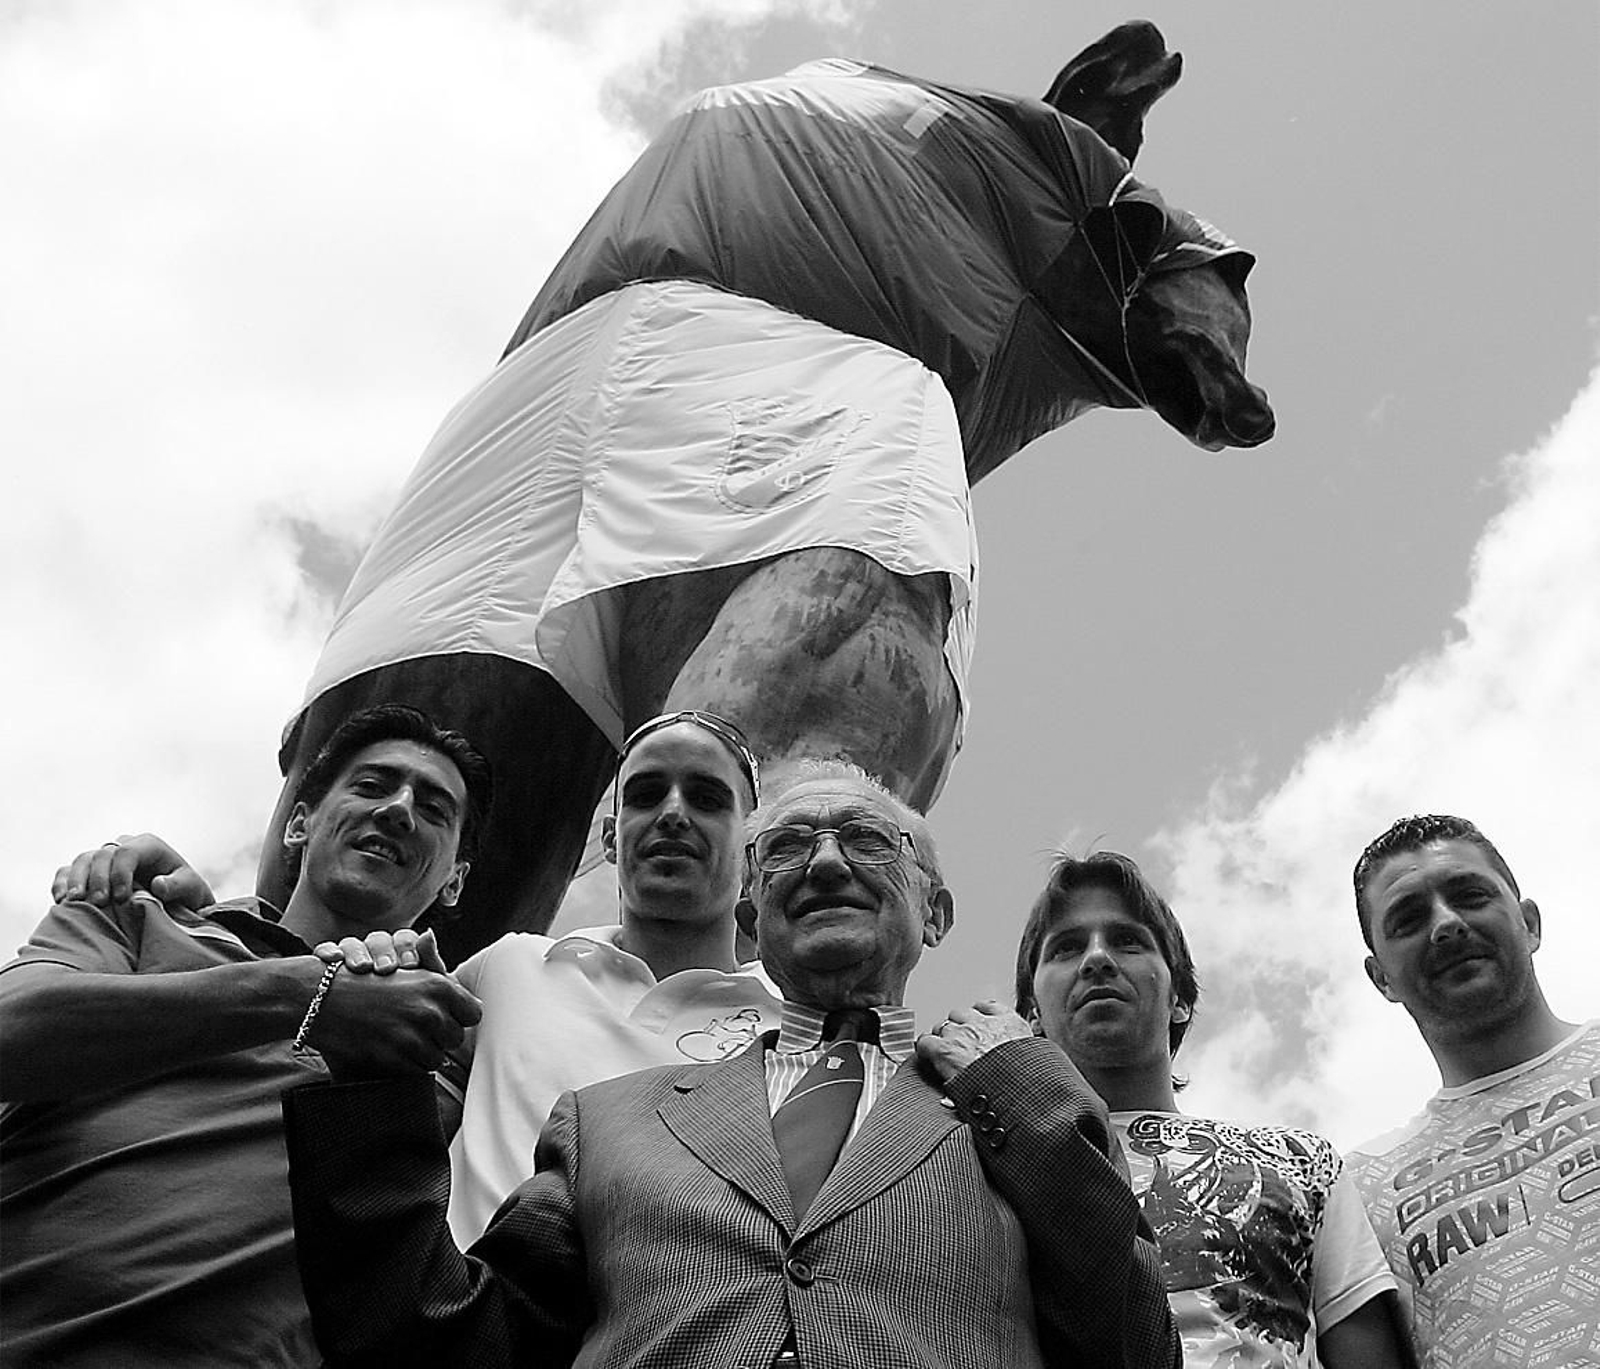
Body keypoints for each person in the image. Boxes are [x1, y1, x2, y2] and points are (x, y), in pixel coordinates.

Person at [283, 760, 1181, 1367]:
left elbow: (1135, 1346)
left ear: (936, 913)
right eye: (786, 847)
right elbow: (450, 1339)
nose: (824, 863)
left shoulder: (1012, 1108)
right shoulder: (606, 1119)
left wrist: (1025, 1086)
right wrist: (369, 1090)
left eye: (867, 839)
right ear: (752, 916)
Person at [49, 708, 783, 1246]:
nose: (673, 814)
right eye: (647, 794)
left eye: (707, 798)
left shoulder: (804, 1026)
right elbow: (327, 992)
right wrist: (204, 915)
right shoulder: (511, 968)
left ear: (752, 848)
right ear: (611, 836)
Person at [0, 704, 491, 1368]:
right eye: (372, 785)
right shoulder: (142, 918)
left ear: (454, 880)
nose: (399, 809)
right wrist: (307, 994)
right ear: (298, 823)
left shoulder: (457, 1049)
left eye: (434, 809)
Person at [1014, 850, 1412, 1368]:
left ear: (1180, 998)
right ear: (1031, 1015)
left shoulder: (1300, 1160)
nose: (1097, 959)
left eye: (1127, 941)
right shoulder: (991, 1167)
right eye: (1066, 948)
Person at [1343, 814, 1597, 1369]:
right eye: (1408, 919)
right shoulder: (1361, 1188)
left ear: (1529, 923)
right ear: (1381, 978)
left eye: (1470, 896)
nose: (1446, 924)